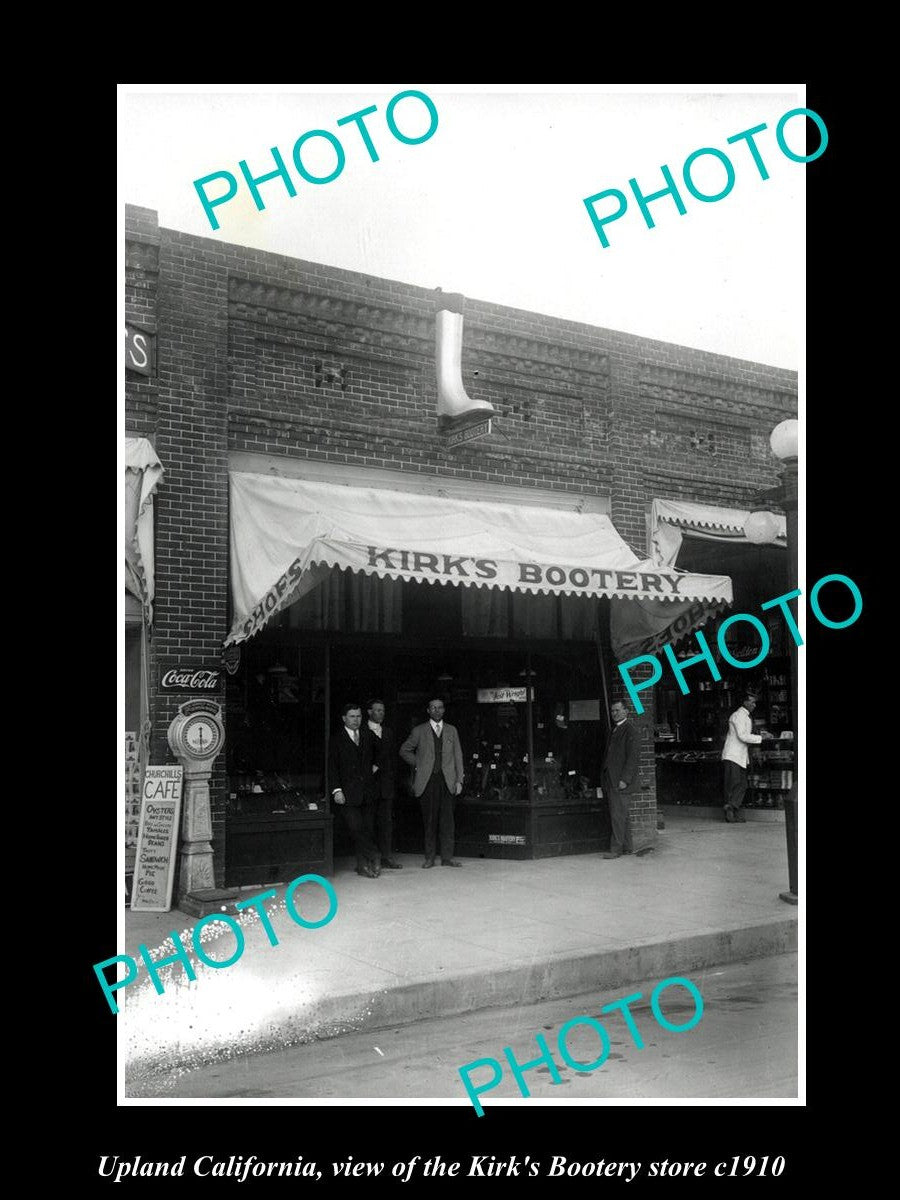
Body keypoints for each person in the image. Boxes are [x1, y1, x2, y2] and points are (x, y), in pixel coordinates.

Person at [399, 698, 464, 868]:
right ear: (428, 710)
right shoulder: (419, 731)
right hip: (427, 782)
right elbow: (404, 750)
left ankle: (447, 858)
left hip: (447, 781)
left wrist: (459, 780)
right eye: (433, 708)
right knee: (429, 821)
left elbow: (458, 757)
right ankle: (429, 858)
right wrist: (419, 763)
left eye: (440, 708)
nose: (436, 711)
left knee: (448, 821)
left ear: (444, 710)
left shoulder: (452, 730)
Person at [329, 702, 382, 878]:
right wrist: (337, 790)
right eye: (352, 716)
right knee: (356, 828)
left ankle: (363, 866)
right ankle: (374, 855)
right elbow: (332, 767)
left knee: (366, 828)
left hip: (367, 792)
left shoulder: (368, 735)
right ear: (344, 718)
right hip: (347, 793)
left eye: (358, 716)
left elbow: (382, 751)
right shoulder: (336, 739)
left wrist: (375, 766)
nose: (356, 720)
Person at [601, 700, 640, 859]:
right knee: (622, 814)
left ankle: (615, 849)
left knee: (617, 815)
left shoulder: (630, 730)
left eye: (617, 710)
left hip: (620, 781)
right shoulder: (614, 730)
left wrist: (625, 779)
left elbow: (632, 758)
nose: (614, 714)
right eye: (612, 711)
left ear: (626, 711)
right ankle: (628, 846)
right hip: (612, 778)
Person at [722, 694, 770, 823]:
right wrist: (761, 738)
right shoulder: (738, 716)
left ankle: (731, 808)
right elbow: (742, 736)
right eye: (752, 702)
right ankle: (730, 810)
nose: (754, 705)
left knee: (742, 784)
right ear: (744, 702)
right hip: (733, 755)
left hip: (739, 756)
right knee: (735, 784)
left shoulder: (745, 716)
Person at [367, 699, 402, 869]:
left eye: (383, 710)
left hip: (386, 786)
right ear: (369, 712)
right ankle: (372, 857)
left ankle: (386, 857)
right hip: (370, 785)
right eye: (377, 710)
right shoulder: (362, 731)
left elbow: (392, 758)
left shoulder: (388, 732)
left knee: (386, 823)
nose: (381, 713)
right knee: (369, 823)